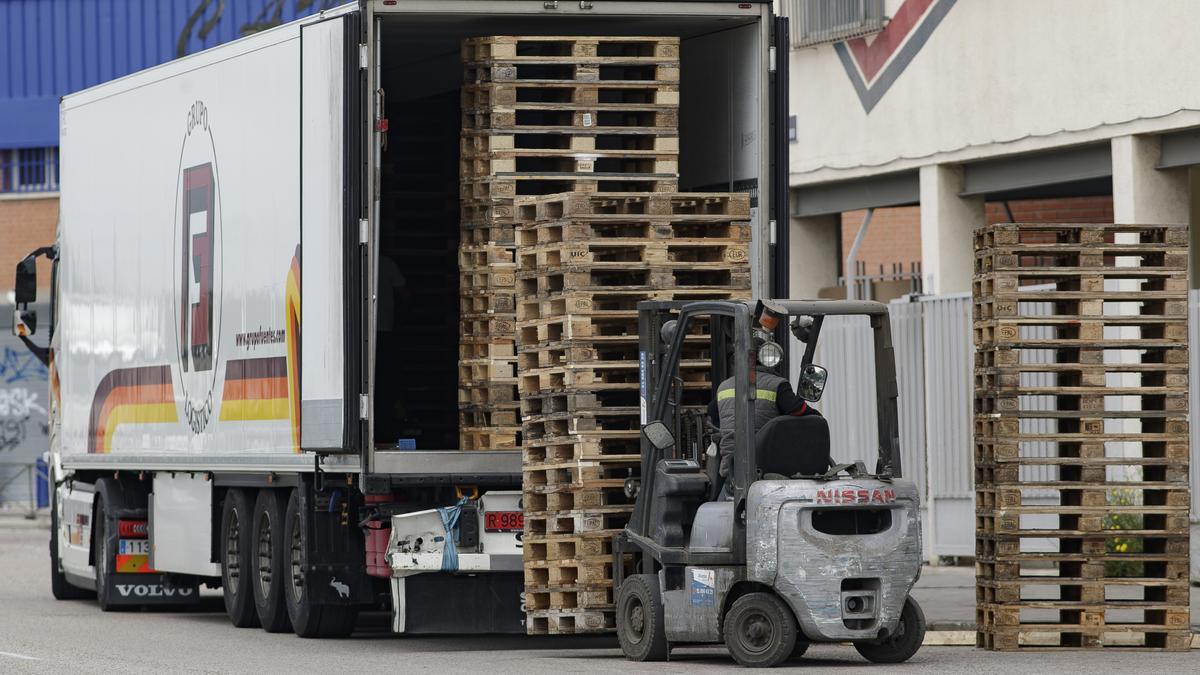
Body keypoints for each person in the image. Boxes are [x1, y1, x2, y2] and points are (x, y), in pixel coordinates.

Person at [707, 334, 820, 498]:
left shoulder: (723, 387)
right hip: (769, 474)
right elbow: (799, 411)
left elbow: (712, 415)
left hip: (731, 474)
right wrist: (817, 417)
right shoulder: (777, 385)